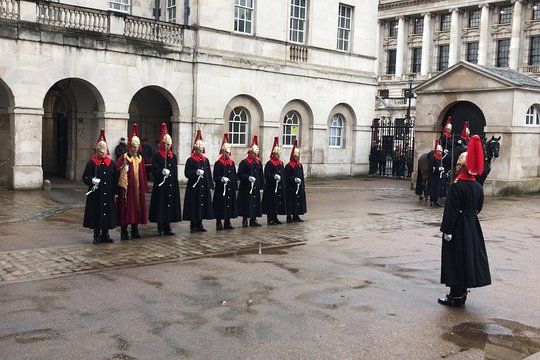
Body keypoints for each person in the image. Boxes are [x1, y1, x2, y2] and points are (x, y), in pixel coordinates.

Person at [439, 135, 491, 307]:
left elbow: (450, 210)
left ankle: (454, 295)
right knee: (468, 259)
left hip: (457, 226)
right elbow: (479, 208)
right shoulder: (477, 186)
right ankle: (462, 293)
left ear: (461, 166)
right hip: (472, 225)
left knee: (455, 260)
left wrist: (446, 229)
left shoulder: (456, 185)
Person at [82, 128, 118, 244]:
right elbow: (85, 177)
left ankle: (105, 234)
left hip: (108, 193)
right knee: (96, 214)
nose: (103, 154)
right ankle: (96, 235)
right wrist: (92, 180)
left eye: (104, 151)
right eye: (100, 152)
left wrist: (117, 190)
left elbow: (115, 178)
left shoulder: (112, 164)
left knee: (107, 214)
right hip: (96, 194)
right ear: (97, 152)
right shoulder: (92, 163)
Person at [116, 124, 149, 240]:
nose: (135, 149)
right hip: (127, 189)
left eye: (137, 147)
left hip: (138, 189)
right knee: (126, 209)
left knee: (137, 208)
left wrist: (144, 187)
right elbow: (117, 170)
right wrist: (122, 170)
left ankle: (135, 229)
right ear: (130, 146)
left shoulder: (140, 159)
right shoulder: (123, 158)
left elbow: (143, 174)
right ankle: (124, 231)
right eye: (133, 147)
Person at [148, 123, 181, 236]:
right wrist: (161, 172)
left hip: (171, 184)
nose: (167, 146)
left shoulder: (173, 156)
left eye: (169, 144)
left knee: (169, 205)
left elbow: (175, 172)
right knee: (161, 205)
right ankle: (160, 226)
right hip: (161, 185)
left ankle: (168, 226)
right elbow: (154, 170)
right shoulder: (157, 156)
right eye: (165, 144)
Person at [183, 129, 214, 233]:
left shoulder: (205, 160)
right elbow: (187, 173)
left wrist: (210, 185)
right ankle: (193, 224)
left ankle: (200, 223)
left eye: (201, 150)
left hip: (203, 186)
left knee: (202, 205)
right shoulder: (190, 160)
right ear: (195, 149)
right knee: (194, 205)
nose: (200, 151)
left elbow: (208, 173)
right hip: (194, 187)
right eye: (198, 150)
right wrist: (195, 172)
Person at [237, 135, 264, 227]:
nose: (255, 155)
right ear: (250, 152)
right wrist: (247, 177)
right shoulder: (244, 162)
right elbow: (239, 174)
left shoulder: (258, 162)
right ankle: (245, 220)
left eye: (256, 154)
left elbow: (261, 175)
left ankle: (253, 219)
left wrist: (261, 186)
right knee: (246, 203)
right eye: (254, 153)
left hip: (255, 186)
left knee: (255, 203)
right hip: (246, 187)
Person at [213, 133, 237, 230]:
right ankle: (219, 222)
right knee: (220, 206)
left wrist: (235, 187)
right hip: (221, 189)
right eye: (225, 152)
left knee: (229, 205)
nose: (227, 154)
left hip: (230, 188)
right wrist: (221, 179)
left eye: (228, 152)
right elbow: (215, 177)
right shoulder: (218, 163)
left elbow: (234, 175)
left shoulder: (232, 163)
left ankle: (228, 221)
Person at [262, 137, 286, 225]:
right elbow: (266, 174)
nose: (278, 156)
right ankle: (270, 218)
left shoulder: (281, 163)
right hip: (271, 187)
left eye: (278, 154)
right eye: (276, 154)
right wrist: (273, 176)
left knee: (276, 203)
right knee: (271, 203)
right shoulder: (269, 163)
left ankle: (275, 217)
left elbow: (282, 175)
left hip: (278, 187)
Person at [284, 140, 307, 223]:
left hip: (298, 187)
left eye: (298, 156)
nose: (297, 158)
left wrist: (302, 186)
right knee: (291, 202)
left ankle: (296, 215)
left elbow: (302, 176)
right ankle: (289, 216)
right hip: (291, 188)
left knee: (297, 201)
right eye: (295, 156)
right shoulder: (289, 166)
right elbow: (286, 177)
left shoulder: (300, 165)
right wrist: (294, 179)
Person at [428, 139, 444, 207]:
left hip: (438, 176)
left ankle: (436, 200)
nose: (440, 153)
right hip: (433, 176)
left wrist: (442, 169)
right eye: (440, 152)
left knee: (438, 188)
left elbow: (441, 165)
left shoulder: (440, 158)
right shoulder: (433, 158)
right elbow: (432, 167)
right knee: (433, 188)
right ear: (437, 151)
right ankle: (432, 201)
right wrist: (438, 169)